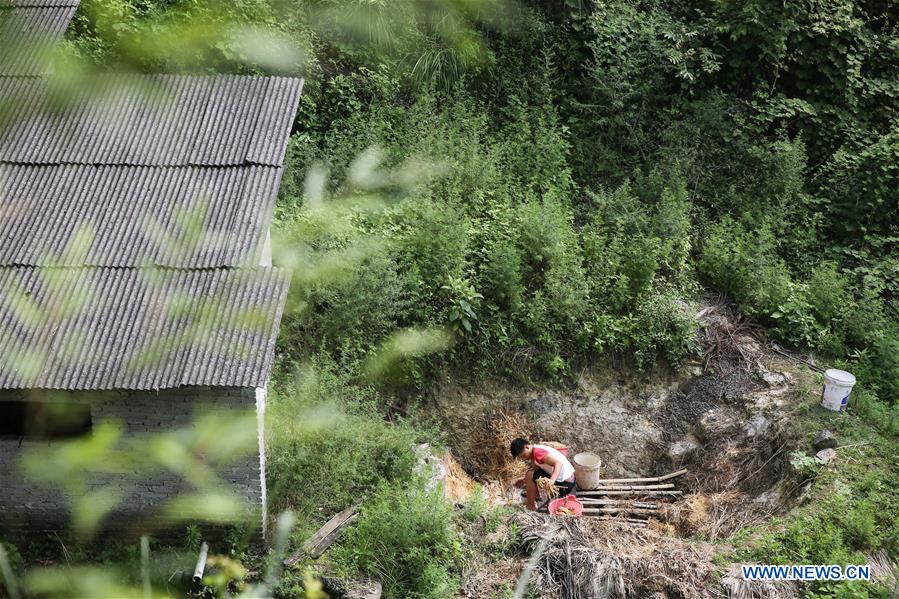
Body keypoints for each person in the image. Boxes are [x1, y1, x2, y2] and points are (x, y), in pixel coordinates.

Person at [510, 437, 576, 510]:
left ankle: (530, 506)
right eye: (521, 457)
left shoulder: (538, 453)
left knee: (529, 475)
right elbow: (536, 469)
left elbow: (558, 463)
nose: (523, 458)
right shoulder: (535, 450)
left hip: (565, 486)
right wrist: (524, 481)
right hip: (570, 481)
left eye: (523, 455)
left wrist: (552, 480)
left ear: (527, 447)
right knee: (531, 474)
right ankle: (536, 495)